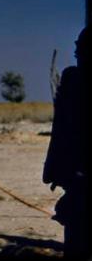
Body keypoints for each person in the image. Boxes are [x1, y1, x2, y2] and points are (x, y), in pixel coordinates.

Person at [43, 26, 90, 259]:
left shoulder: (73, 79)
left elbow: (61, 129)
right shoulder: (73, 79)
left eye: (80, 49)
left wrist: (55, 169)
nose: (76, 53)